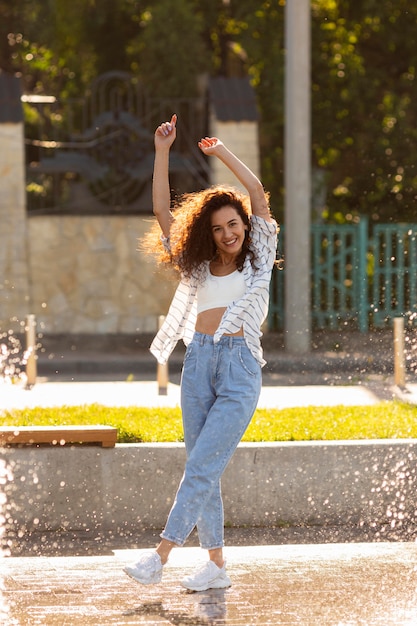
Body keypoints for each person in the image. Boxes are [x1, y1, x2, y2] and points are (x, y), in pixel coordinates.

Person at [124, 114, 278, 592]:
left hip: (238, 369)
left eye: (233, 225)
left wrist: (222, 154)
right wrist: (162, 151)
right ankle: (215, 566)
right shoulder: (198, 268)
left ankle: (160, 556)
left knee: (203, 466)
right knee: (202, 469)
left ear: (245, 228)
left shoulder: (257, 261)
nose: (228, 233)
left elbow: (256, 193)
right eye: (217, 228)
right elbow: (162, 215)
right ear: (207, 234)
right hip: (198, 365)